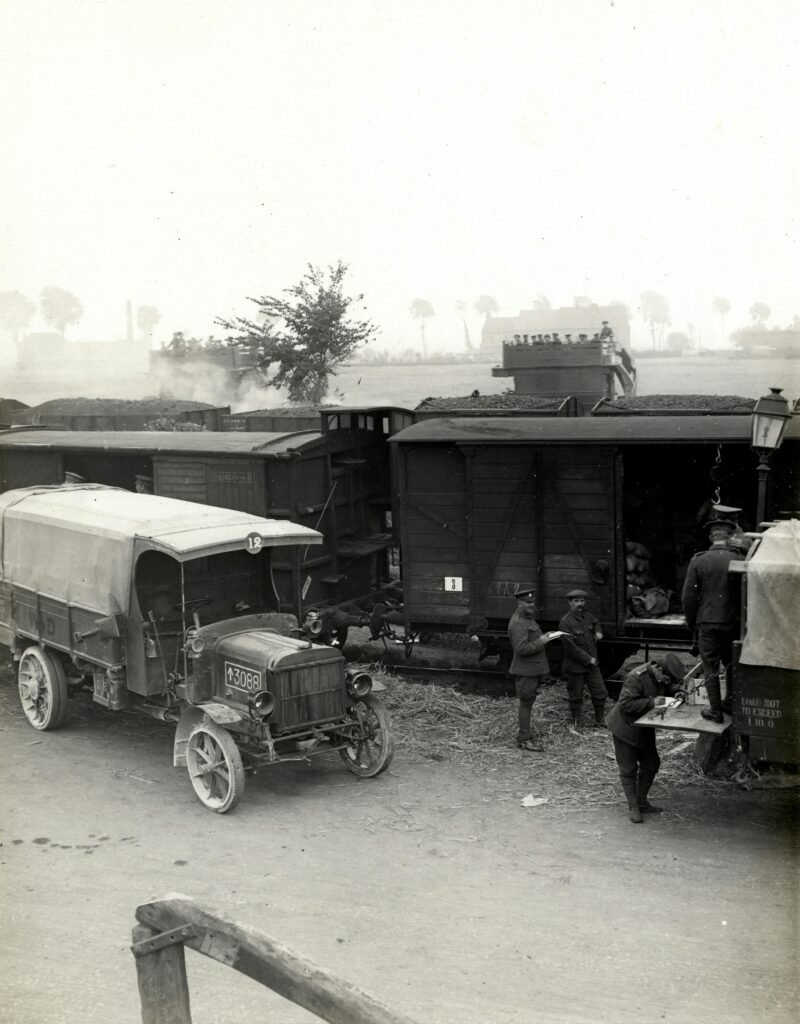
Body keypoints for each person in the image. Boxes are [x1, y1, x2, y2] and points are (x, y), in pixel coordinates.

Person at [606, 654, 685, 823]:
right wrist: (652, 702)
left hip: (644, 727)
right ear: (659, 669)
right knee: (628, 769)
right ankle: (633, 805)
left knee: (651, 763)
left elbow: (666, 687)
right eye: (665, 679)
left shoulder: (658, 675)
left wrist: (676, 692)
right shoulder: (635, 677)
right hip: (625, 728)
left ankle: (641, 802)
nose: (665, 683)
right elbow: (626, 705)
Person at [681, 515, 744, 722]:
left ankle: (715, 711)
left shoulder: (698, 560)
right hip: (732, 622)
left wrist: (693, 623)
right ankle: (730, 705)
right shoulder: (740, 559)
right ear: (729, 537)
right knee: (731, 664)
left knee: (710, 666)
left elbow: (688, 597)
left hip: (707, 622)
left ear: (711, 537)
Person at [507, 587, 561, 751]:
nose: (531, 605)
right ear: (519, 603)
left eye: (532, 602)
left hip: (531, 670)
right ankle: (524, 740)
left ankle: (525, 737)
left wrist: (546, 636)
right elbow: (522, 649)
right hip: (526, 671)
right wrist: (542, 641)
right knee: (525, 704)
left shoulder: (527, 619)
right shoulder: (518, 622)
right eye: (527, 602)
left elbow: (531, 638)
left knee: (528, 703)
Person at [558, 589, 608, 729]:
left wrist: (598, 631)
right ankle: (576, 723)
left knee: (600, 692)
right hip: (576, 665)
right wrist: (588, 659)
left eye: (582, 601)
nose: (580, 604)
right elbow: (571, 648)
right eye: (576, 601)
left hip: (592, 665)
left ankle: (599, 720)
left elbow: (596, 622)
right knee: (576, 695)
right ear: (570, 603)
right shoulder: (565, 622)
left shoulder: (587, 616)